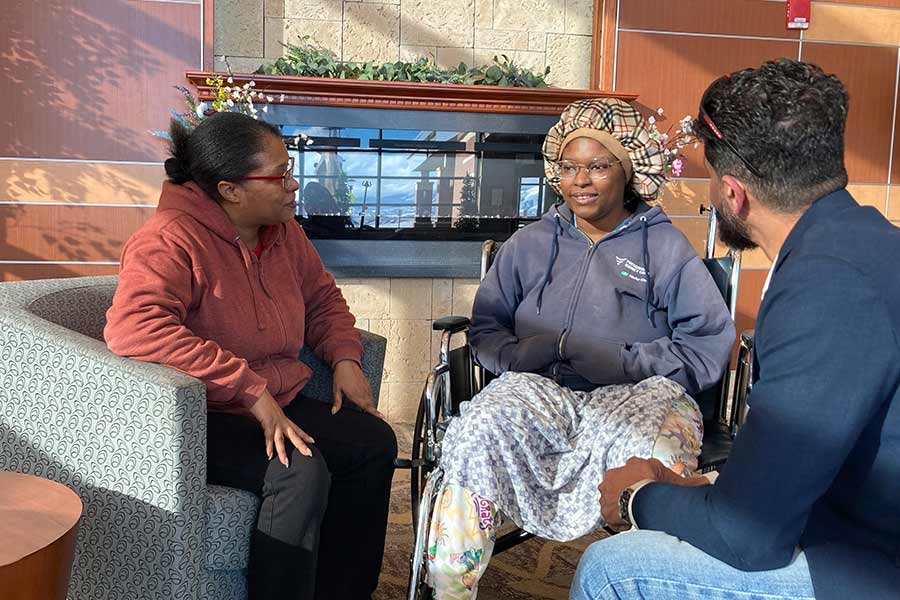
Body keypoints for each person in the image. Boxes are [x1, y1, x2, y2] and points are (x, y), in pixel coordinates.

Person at [572, 59, 900, 600]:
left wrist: (638, 498)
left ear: (733, 192)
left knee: (612, 568)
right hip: (854, 519)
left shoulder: (825, 287)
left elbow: (749, 537)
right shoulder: (867, 244)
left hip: (873, 565)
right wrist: (696, 486)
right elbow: (800, 462)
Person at [424, 98, 735, 599]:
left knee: (660, 446)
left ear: (627, 171)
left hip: (637, 391)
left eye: (598, 167)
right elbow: (487, 327)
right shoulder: (529, 244)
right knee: (477, 431)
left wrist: (624, 361)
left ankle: (647, 580)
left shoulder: (665, 248)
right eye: (569, 168)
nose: (580, 181)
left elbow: (705, 344)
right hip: (538, 388)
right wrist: (523, 356)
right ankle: (448, 589)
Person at [104, 111, 397, 600]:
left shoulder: (285, 233)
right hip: (203, 415)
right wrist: (249, 389)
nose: (293, 184)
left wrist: (346, 358)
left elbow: (322, 299)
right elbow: (135, 327)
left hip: (276, 398)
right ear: (230, 190)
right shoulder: (168, 239)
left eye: (290, 169)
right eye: (279, 175)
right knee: (298, 470)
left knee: (372, 442)